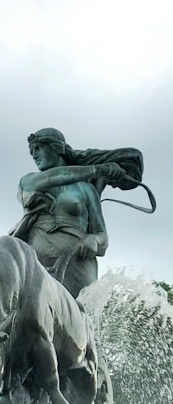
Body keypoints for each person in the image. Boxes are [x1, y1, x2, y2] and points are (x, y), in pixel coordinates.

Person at [10, 127, 144, 298]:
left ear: (56, 148)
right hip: (36, 263)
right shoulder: (30, 181)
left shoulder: (86, 190)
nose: (34, 155)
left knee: (80, 317)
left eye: (38, 148)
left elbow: (103, 237)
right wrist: (98, 170)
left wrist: (94, 239)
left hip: (77, 264)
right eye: (32, 151)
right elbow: (56, 176)